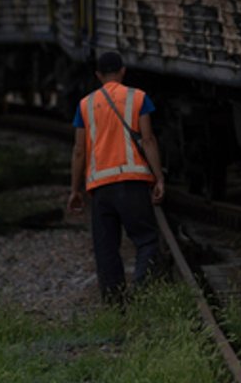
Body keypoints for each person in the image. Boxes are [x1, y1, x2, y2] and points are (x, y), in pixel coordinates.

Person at [65, 51, 166, 303]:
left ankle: (115, 305)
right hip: (132, 183)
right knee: (147, 240)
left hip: (101, 188)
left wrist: (75, 189)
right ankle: (142, 292)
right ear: (123, 71)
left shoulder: (85, 105)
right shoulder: (138, 98)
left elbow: (79, 150)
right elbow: (149, 139)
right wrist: (159, 178)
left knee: (106, 248)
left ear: (98, 75)